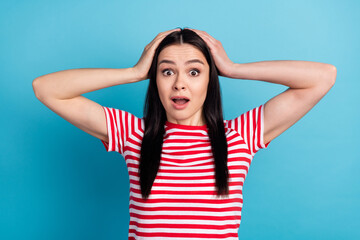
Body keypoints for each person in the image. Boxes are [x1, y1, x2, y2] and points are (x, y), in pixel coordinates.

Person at [32, 27, 337, 239]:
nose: (180, 83)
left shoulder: (240, 136)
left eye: (194, 71)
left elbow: (322, 77)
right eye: (167, 71)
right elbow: (45, 89)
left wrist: (232, 68)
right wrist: (134, 72)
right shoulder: (133, 134)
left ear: (209, 79)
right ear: (156, 80)